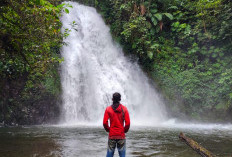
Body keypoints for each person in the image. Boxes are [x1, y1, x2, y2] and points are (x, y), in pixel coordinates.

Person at [103, 92, 130, 157]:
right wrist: (124, 130)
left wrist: (109, 130)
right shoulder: (124, 109)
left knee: (109, 154)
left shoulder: (108, 109)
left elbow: (104, 122)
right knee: (122, 155)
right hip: (121, 135)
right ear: (120, 99)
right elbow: (128, 123)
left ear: (112, 99)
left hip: (112, 135)